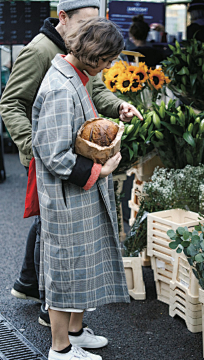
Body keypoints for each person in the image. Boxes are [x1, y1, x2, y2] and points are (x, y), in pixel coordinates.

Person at [0, 0, 142, 329]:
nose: (90, 30)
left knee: (56, 226)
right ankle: (49, 309)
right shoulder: (41, 52)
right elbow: (10, 102)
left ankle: (29, 286)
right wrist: (31, 147)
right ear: (63, 19)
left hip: (68, 152)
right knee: (56, 229)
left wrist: (119, 105)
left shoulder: (80, 55)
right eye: (84, 23)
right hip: (48, 152)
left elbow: (95, 88)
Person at [32, 17, 130, 360]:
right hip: (66, 197)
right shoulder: (61, 86)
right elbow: (54, 154)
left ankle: (74, 333)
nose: (110, 66)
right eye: (108, 60)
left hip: (75, 194)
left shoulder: (74, 75)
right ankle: (60, 350)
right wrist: (102, 168)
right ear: (94, 56)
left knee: (80, 264)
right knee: (66, 269)